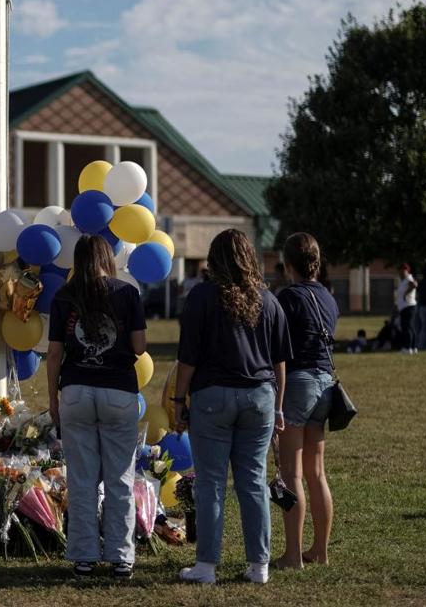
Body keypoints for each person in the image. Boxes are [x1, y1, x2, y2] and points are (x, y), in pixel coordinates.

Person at [173, 229, 291, 586]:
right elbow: (280, 362)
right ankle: (259, 565)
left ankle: (206, 565)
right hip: (260, 398)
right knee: (253, 482)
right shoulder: (269, 301)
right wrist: (279, 408)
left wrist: (179, 400)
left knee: (210, 483)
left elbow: (188, 358)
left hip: (213, 397)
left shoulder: (202, 296)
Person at [47, 234, 147, 579]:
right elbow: (138, 345)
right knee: (120, 477)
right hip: (118, 390)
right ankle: (121, 557)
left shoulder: (63, 296)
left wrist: (52, 399)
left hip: (75, 389)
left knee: (82, 478)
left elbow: (55, 353)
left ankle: (84, 556)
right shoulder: (127, 292)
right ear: (107, 257)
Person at [272, 232, 338, 570]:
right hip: (325, 383)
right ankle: (320, 551)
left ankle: (293, 556)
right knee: (316, 473)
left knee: (290, 473)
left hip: (297, 383)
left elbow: (277, 349)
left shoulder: (286, 298)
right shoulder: (328, 297)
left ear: (288, 265)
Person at [396, 264, 417, 354]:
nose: (401, 272)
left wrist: (405, 293)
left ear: (407, 271)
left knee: (406, 328)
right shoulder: (403, 280)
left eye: (403, 270)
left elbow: (414, 285)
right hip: (405, 307)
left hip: (408, 306)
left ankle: (407, 348)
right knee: (411, 328)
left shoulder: (408, 278)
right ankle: (413, 347)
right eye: (400, 270)